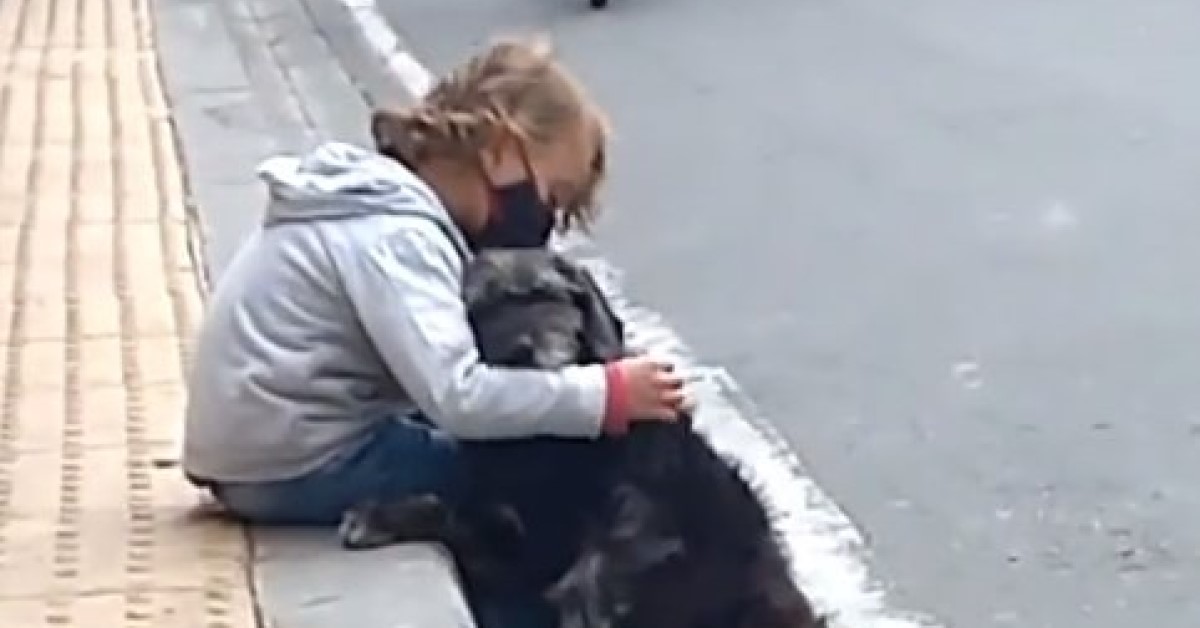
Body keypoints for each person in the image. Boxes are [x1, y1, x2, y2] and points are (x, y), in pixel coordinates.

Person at [182, 37, 687, 527]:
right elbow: (460, 396)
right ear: (500, 151)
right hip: (298, 463)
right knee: (527, 481)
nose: (545, 222)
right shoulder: (400, 238)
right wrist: (606, 396)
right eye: (551, 195)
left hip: (260, 448)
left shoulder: (378, 203)